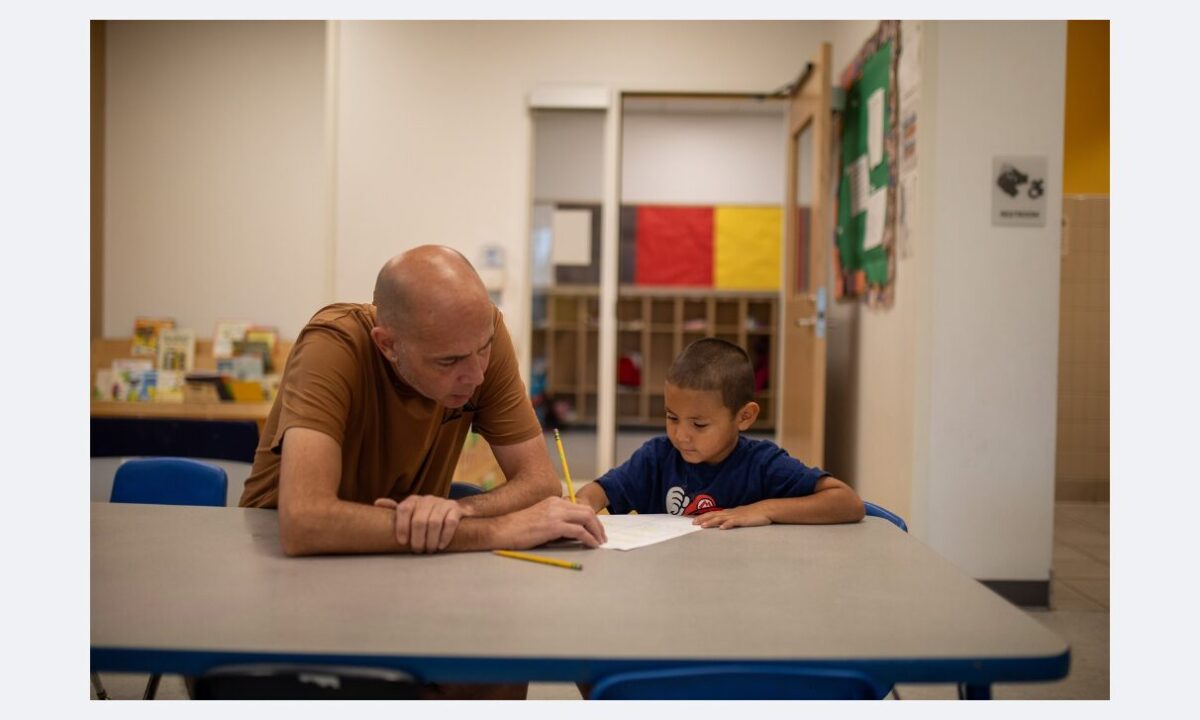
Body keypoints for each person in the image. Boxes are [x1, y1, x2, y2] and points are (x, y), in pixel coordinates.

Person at [239, 245, 607, 557]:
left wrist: (453, 512)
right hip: (283, 562)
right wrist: (494, 530)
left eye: (484, 348)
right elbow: (305, 521)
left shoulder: (478, 334)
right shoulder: (333, 345)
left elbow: (541, 482)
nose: (477, 374)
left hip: (399, 560)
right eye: (448, 362)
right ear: (388, 345)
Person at [575, 338, 864, 527]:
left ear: (744, 417)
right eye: (671, 417)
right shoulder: (657, 457)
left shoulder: (762, 463)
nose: (681, 435)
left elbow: (847, 502)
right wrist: (585, 503)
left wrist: (763, 510)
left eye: (699, 425)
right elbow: (602, 490)